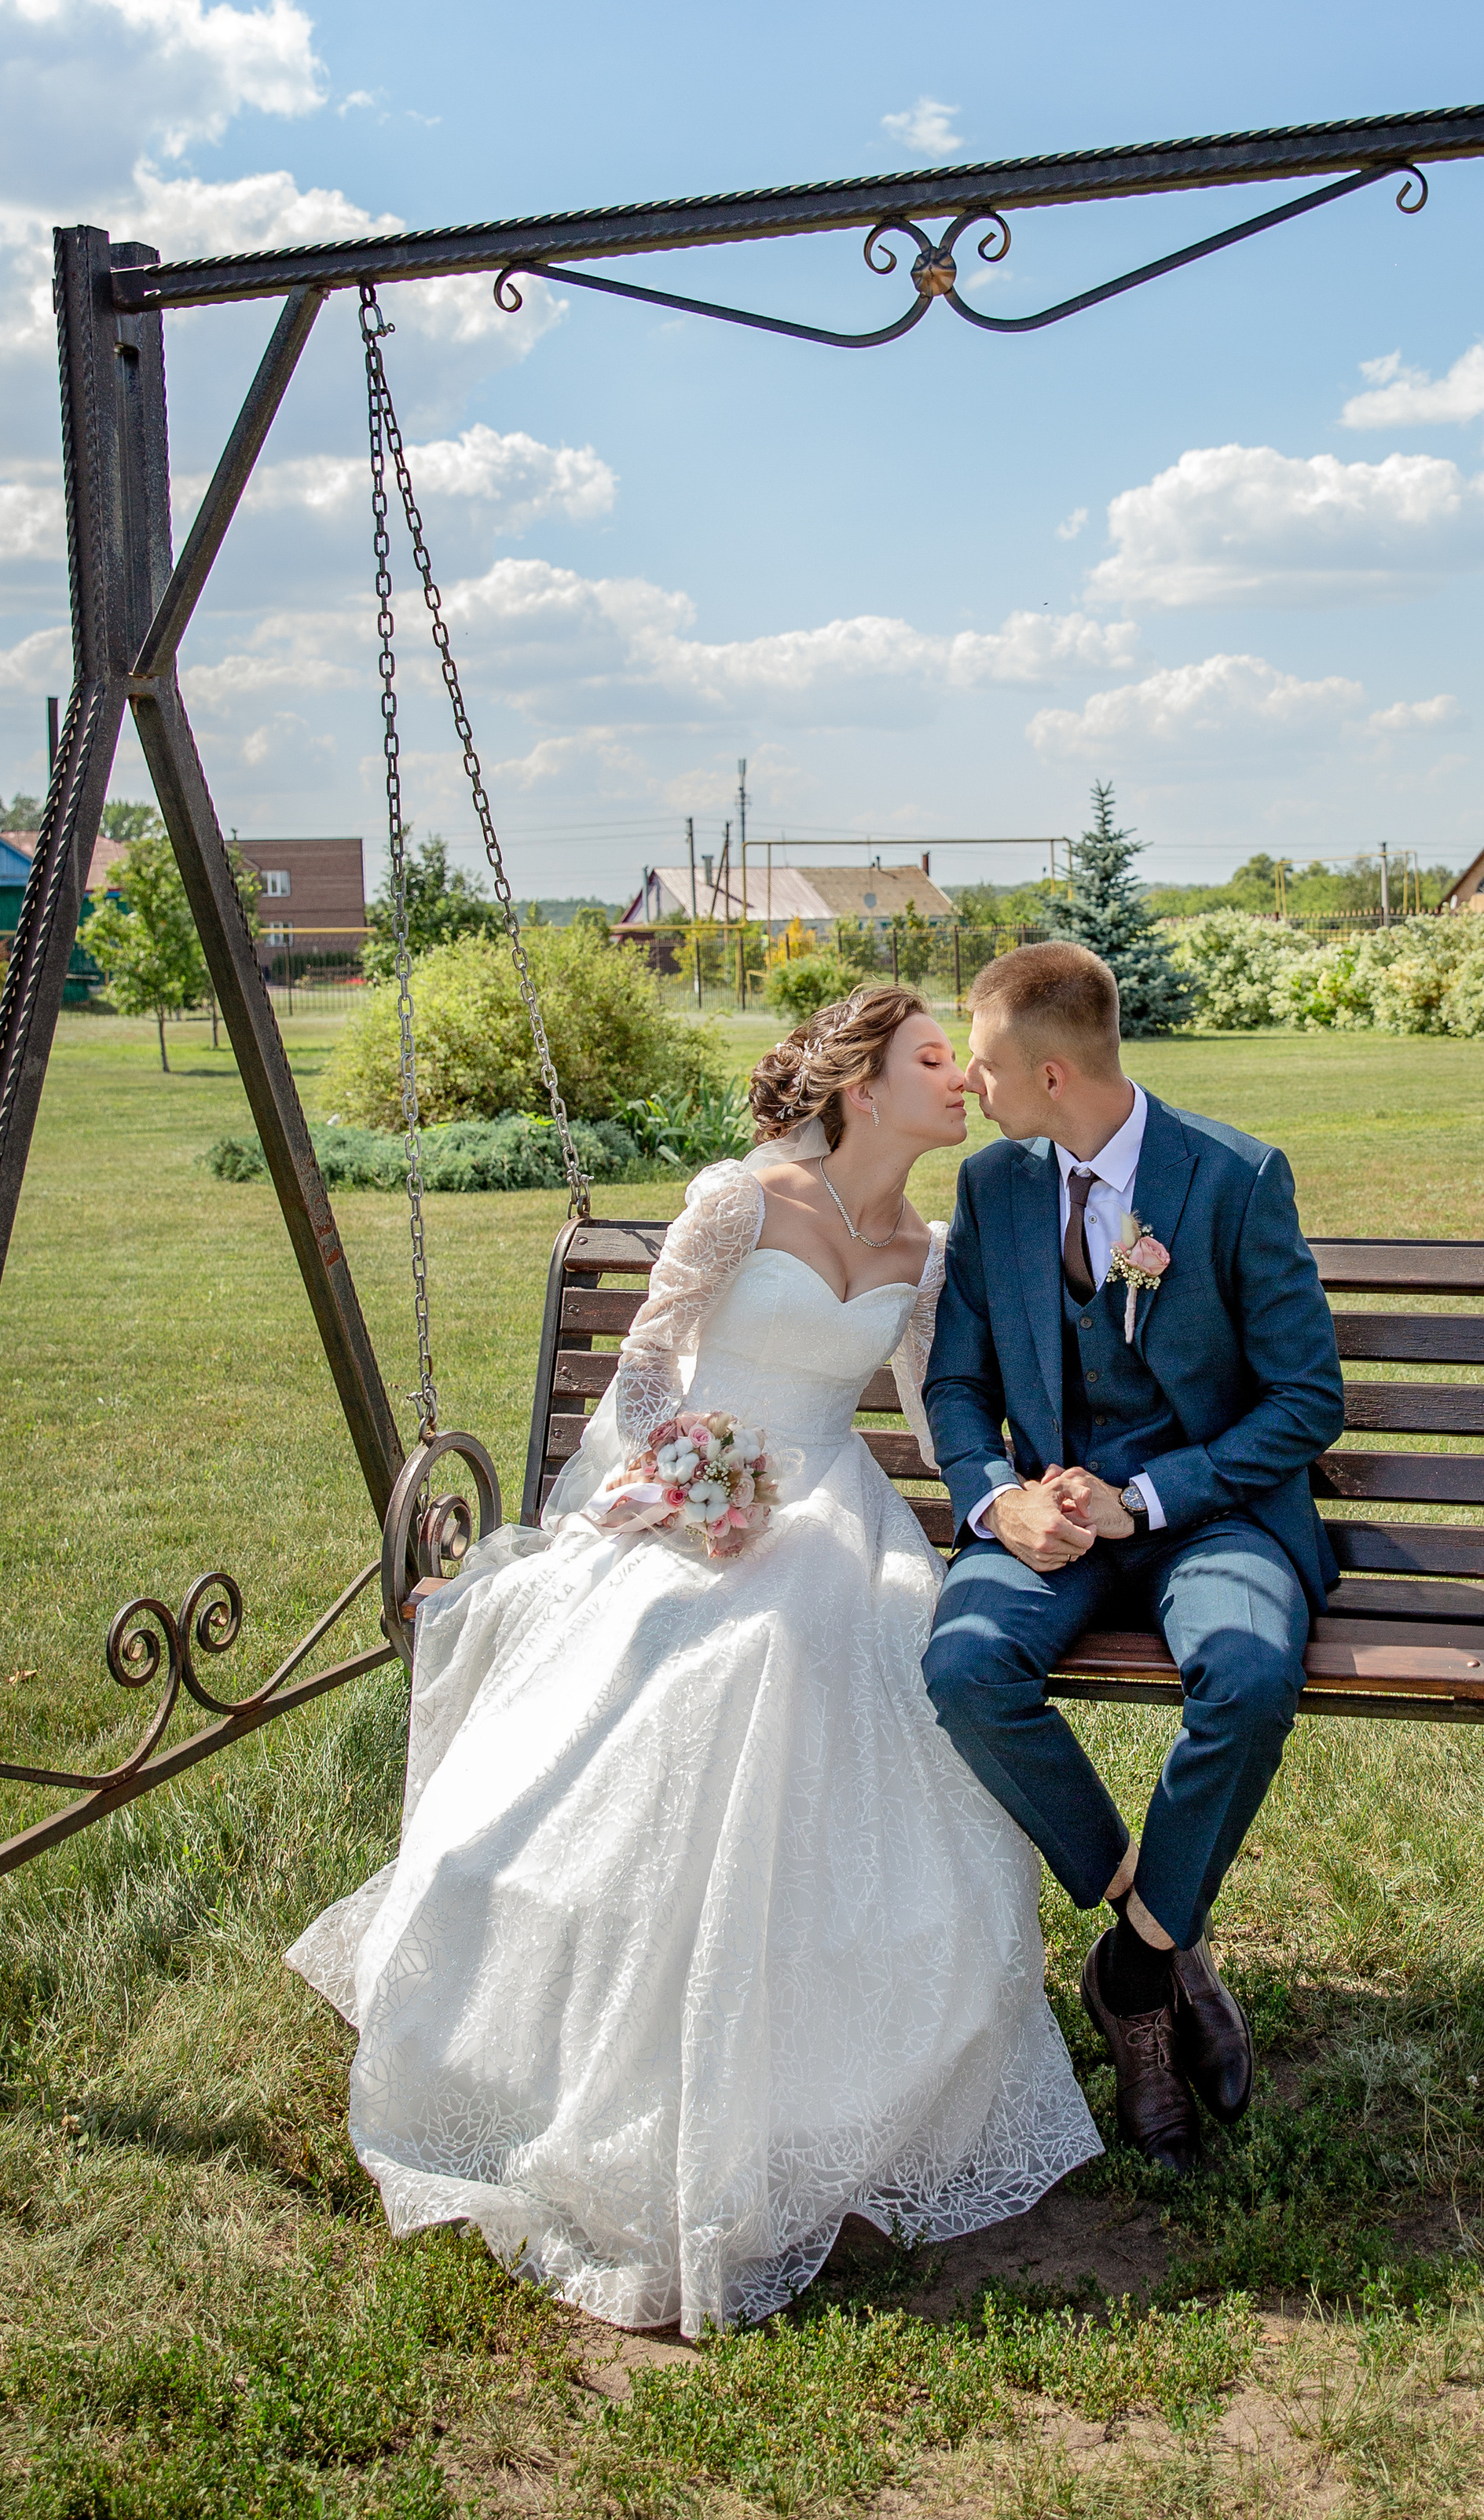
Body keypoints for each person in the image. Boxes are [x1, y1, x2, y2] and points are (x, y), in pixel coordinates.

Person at [287, 984, 1100, 2335]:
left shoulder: (925, 1240)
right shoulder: (742, 1197)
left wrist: (1016, 1496)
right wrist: (695, 1486)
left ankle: (834, 2093)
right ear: (861, 1085)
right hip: (696, 1499)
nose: (961, 1078)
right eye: (932, 1059)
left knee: (830, 1661)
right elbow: (651, 1367)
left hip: (839, 1514)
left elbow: (928, 1406)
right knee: (692, 1665)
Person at [921, 941, 1345, 2177]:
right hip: (1047, 1519)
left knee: (1250, 1673)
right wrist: (998, 1501)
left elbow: (1306, 1399)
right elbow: (954, 1381)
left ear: (1053, 1073)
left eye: (987, 1065)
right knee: (965, 1667)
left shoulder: (1233, 1178)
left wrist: (1151, 1496)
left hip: (1210, 1516)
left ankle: (1133, 1969)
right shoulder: (998, 1187)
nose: (972, 1090)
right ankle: (1164, 1939)